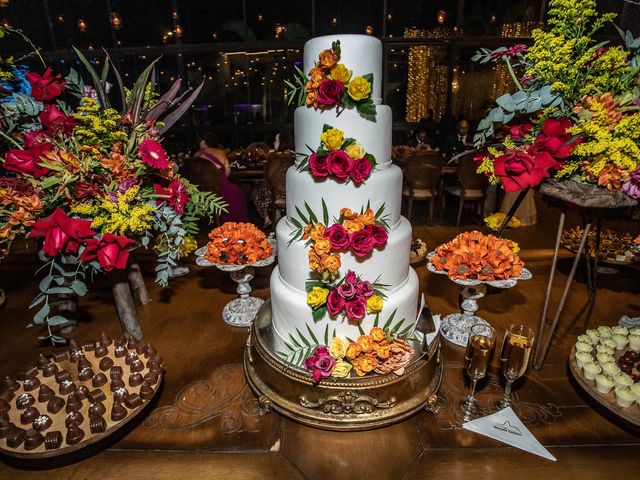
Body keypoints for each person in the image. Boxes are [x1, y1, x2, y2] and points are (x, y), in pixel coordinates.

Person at [194, 132, 250, 223]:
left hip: (204, 190)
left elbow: (195, 176)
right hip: (222, 185)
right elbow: (228, 172)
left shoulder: (197, 156)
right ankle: (240, 226)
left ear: (203, 142)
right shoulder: (221, 153)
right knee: (238, 193)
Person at [251, 131, 294, 228]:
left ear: (282, 143)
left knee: (256, 192)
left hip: (279, 192)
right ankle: (276, 215)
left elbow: (271, 178)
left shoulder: (274, 157)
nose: (274, 143)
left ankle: (267, 218)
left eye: (276, 141)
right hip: (291, 191)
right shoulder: (293, 156)